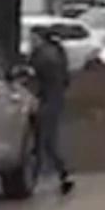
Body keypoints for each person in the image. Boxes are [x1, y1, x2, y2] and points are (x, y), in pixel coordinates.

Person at [28, 27, 76, 196]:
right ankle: (60, 174)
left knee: (42, 141)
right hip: (54, 100)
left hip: (46, 101)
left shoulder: (43, 56)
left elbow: (35, 80)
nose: (30, 41)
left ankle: (41, 177)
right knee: (46, 140)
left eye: (33, 38)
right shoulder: (56, 53)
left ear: (40, 38)